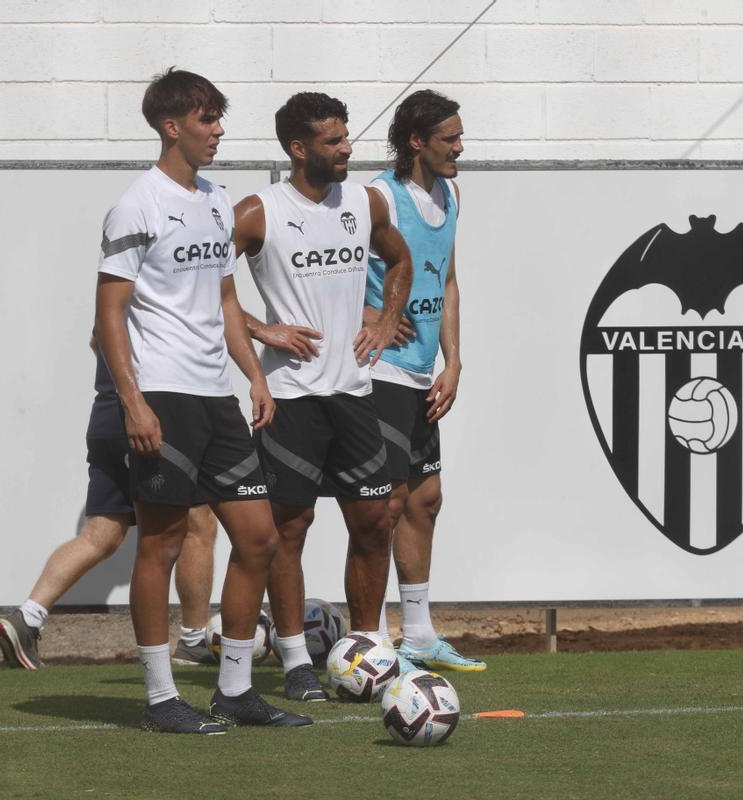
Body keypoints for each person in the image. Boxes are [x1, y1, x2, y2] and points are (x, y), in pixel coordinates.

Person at [94, 68, 309, 734]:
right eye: (207, 119)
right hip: (162, 392)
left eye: (219, 117)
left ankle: (236, 688)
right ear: (171, 126)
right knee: (158, 546)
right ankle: (161, 698)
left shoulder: (218, 200)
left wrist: (255, 376)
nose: (218, 130)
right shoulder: (138, 203)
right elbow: (108, 313)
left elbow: (224, 301)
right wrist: (132, 402)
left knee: (259, 538)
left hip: (217, 397)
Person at [234, 92, 414, 702]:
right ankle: (293, 660)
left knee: (374, 521)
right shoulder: (260, 211)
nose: (347, 149)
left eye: (346, 138)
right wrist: (262, 330)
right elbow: (204, 282)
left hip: (353, 393)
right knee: (290, 527)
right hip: (290, 397)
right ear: (298, 148)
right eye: (334, 141)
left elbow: (399, 260)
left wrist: (387, 321)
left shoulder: (364, 202)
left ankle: (370, 647)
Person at [0, 341, 220, 671]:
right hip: (149, 416)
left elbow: (98, 339)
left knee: (101, 534)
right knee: (197, 523)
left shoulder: (114, 298)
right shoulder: (156, 296)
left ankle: (28, 617)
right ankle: (194, 640)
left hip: (107, 417)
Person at [364, 90, 485, 671]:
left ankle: (418, 635)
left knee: (426, 500)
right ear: (416, 141)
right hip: (378, 370)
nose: (460, 147)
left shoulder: (453, 193)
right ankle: (372, 641)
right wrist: (370, 319)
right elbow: (331, 272)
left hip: (422, 374)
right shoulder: (378, 197)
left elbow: (450, 280)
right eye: (449, 138)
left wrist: (453, 362)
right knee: (384, 504)